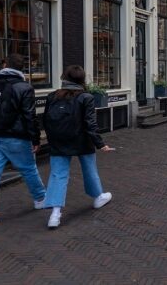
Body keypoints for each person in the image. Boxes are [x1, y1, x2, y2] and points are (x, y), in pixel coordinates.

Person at [0, 53, 46, 230]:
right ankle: (40, 199)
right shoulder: (24, 87)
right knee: (29, 168)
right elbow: (30, 116)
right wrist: (35, 138)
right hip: (16, 137)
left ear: (4, 64)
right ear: (22, 69)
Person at [42, 65, 114, 229]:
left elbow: (45, 120)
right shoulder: (86, 97)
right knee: (89, 169)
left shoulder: (52, 96)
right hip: (81, 140)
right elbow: (90, 124)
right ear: (82, 80)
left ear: (64, 79)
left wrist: (50, 139)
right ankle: (98, 197)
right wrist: (101, 144)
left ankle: (55, 213)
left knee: (58, 175)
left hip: (59, 141)